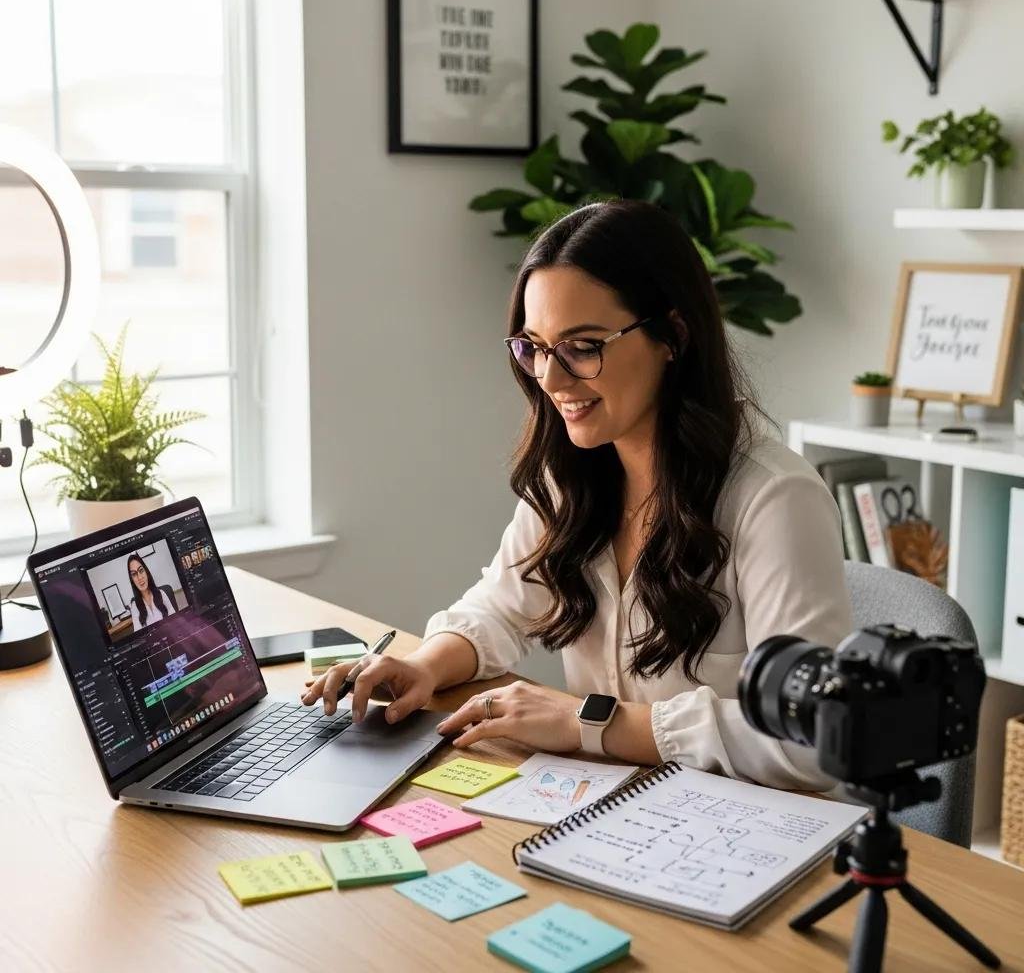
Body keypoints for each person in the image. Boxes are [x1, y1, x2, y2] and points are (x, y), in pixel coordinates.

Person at [301, 200, 852, 790]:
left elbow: (810, 740)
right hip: (615, 805)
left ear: (673, 335)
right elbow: (502, 604)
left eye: (583, 346)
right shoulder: (575, 474)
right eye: (534, 346)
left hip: (751, 836)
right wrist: (422, 664)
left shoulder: (775, 499)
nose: (550, 378)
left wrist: (589, 724)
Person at [127, 553, 177, 631]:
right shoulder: (134, 606)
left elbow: (175, 621)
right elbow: (139, 635)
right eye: (134, 574)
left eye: (141, 570)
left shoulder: (161, 593)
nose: (140, 577)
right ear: (132, 580)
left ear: (146, 572)